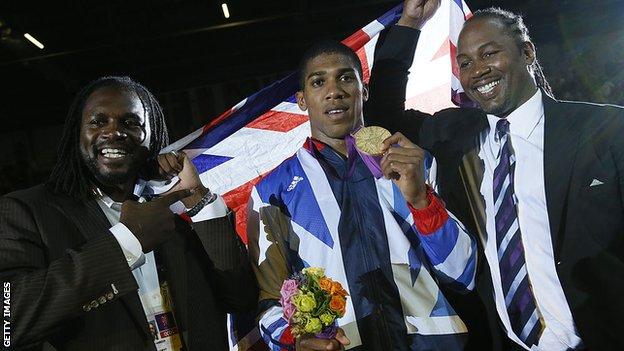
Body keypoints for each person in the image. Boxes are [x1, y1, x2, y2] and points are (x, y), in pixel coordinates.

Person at [365, 1, 624, 350]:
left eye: (489, 54)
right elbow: (382, 114)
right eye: (466, 63)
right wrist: (410, 22)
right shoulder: (452, 134)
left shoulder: (608, 128)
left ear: (527, 52)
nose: (477, 71)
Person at [247, 36, 478, 350]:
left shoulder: (413, 162)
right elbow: (270, 303)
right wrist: (296, 340)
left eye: (345, 78)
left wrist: (421, 201)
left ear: (364, 90)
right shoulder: (272, 193)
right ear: (302, 100)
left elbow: (463, 273)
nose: (334, 91)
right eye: (318, 82)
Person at [0, 76, 258, 350]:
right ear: (77, 132)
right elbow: (8, 322)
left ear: (152, 135)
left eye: (131, 123)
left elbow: (241, 299)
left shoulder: (175, 210)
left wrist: (197, 198)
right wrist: (125, 243)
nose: (114, 132)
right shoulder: (25, 211)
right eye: (98, 121)